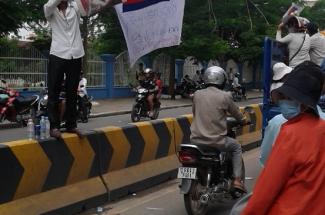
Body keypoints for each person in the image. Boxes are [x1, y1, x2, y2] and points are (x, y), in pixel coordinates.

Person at [242, 61, 325, 215]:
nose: (283, 101)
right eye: (283, 96)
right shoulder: (321, 128)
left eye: (289, 97)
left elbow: (266, 190)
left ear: (303, 104)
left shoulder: (291, 133)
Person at [190, 66, 248, 192]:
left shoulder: (197, 94)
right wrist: (244, 120)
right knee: (236, 147)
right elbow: (236, 113)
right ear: (222, 80)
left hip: (195, 140)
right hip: (216, 141)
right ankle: (237, 180)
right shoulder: (225, 96)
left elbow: (195, 113)